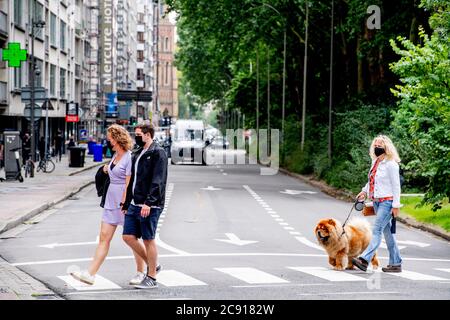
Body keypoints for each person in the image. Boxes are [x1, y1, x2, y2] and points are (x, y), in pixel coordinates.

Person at [70, 124, 147, 285]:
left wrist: (125, 203)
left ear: (117, 139)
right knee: (104, 238)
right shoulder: (114, 156)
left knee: (132, 238)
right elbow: (110, 173)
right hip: (110, 203)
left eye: (110, 138)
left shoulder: (128, 157)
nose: (108, 140)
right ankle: (90, 274)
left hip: (123, 204)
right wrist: (105, 170)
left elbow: (128, 184)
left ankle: (143, 271)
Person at [122, 123, 168, 289]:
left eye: (139, 134)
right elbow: (132, 180)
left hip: (150, 205)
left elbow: (158, 180)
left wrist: (149, 202)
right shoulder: (138, 153)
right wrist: (127, 202)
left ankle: (152, 277)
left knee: (148, 239)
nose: (136, 137)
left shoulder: (158, 153)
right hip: (135, 203)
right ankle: (153, 264)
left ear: (148, 135)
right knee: (127, 236)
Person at [352, 135, 403, 273]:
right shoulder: (375, 162)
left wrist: (396, 205)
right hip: (376, 202)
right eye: (375, 145)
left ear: (386, 147)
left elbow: (396, 185)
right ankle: (396, 263)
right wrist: (364, 191)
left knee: (376, 230)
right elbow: (372, 181)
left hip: (387, 202)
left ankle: (364, 259)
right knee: (388, 234)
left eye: (380, 145)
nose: (377, 147)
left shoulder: (391, 164)